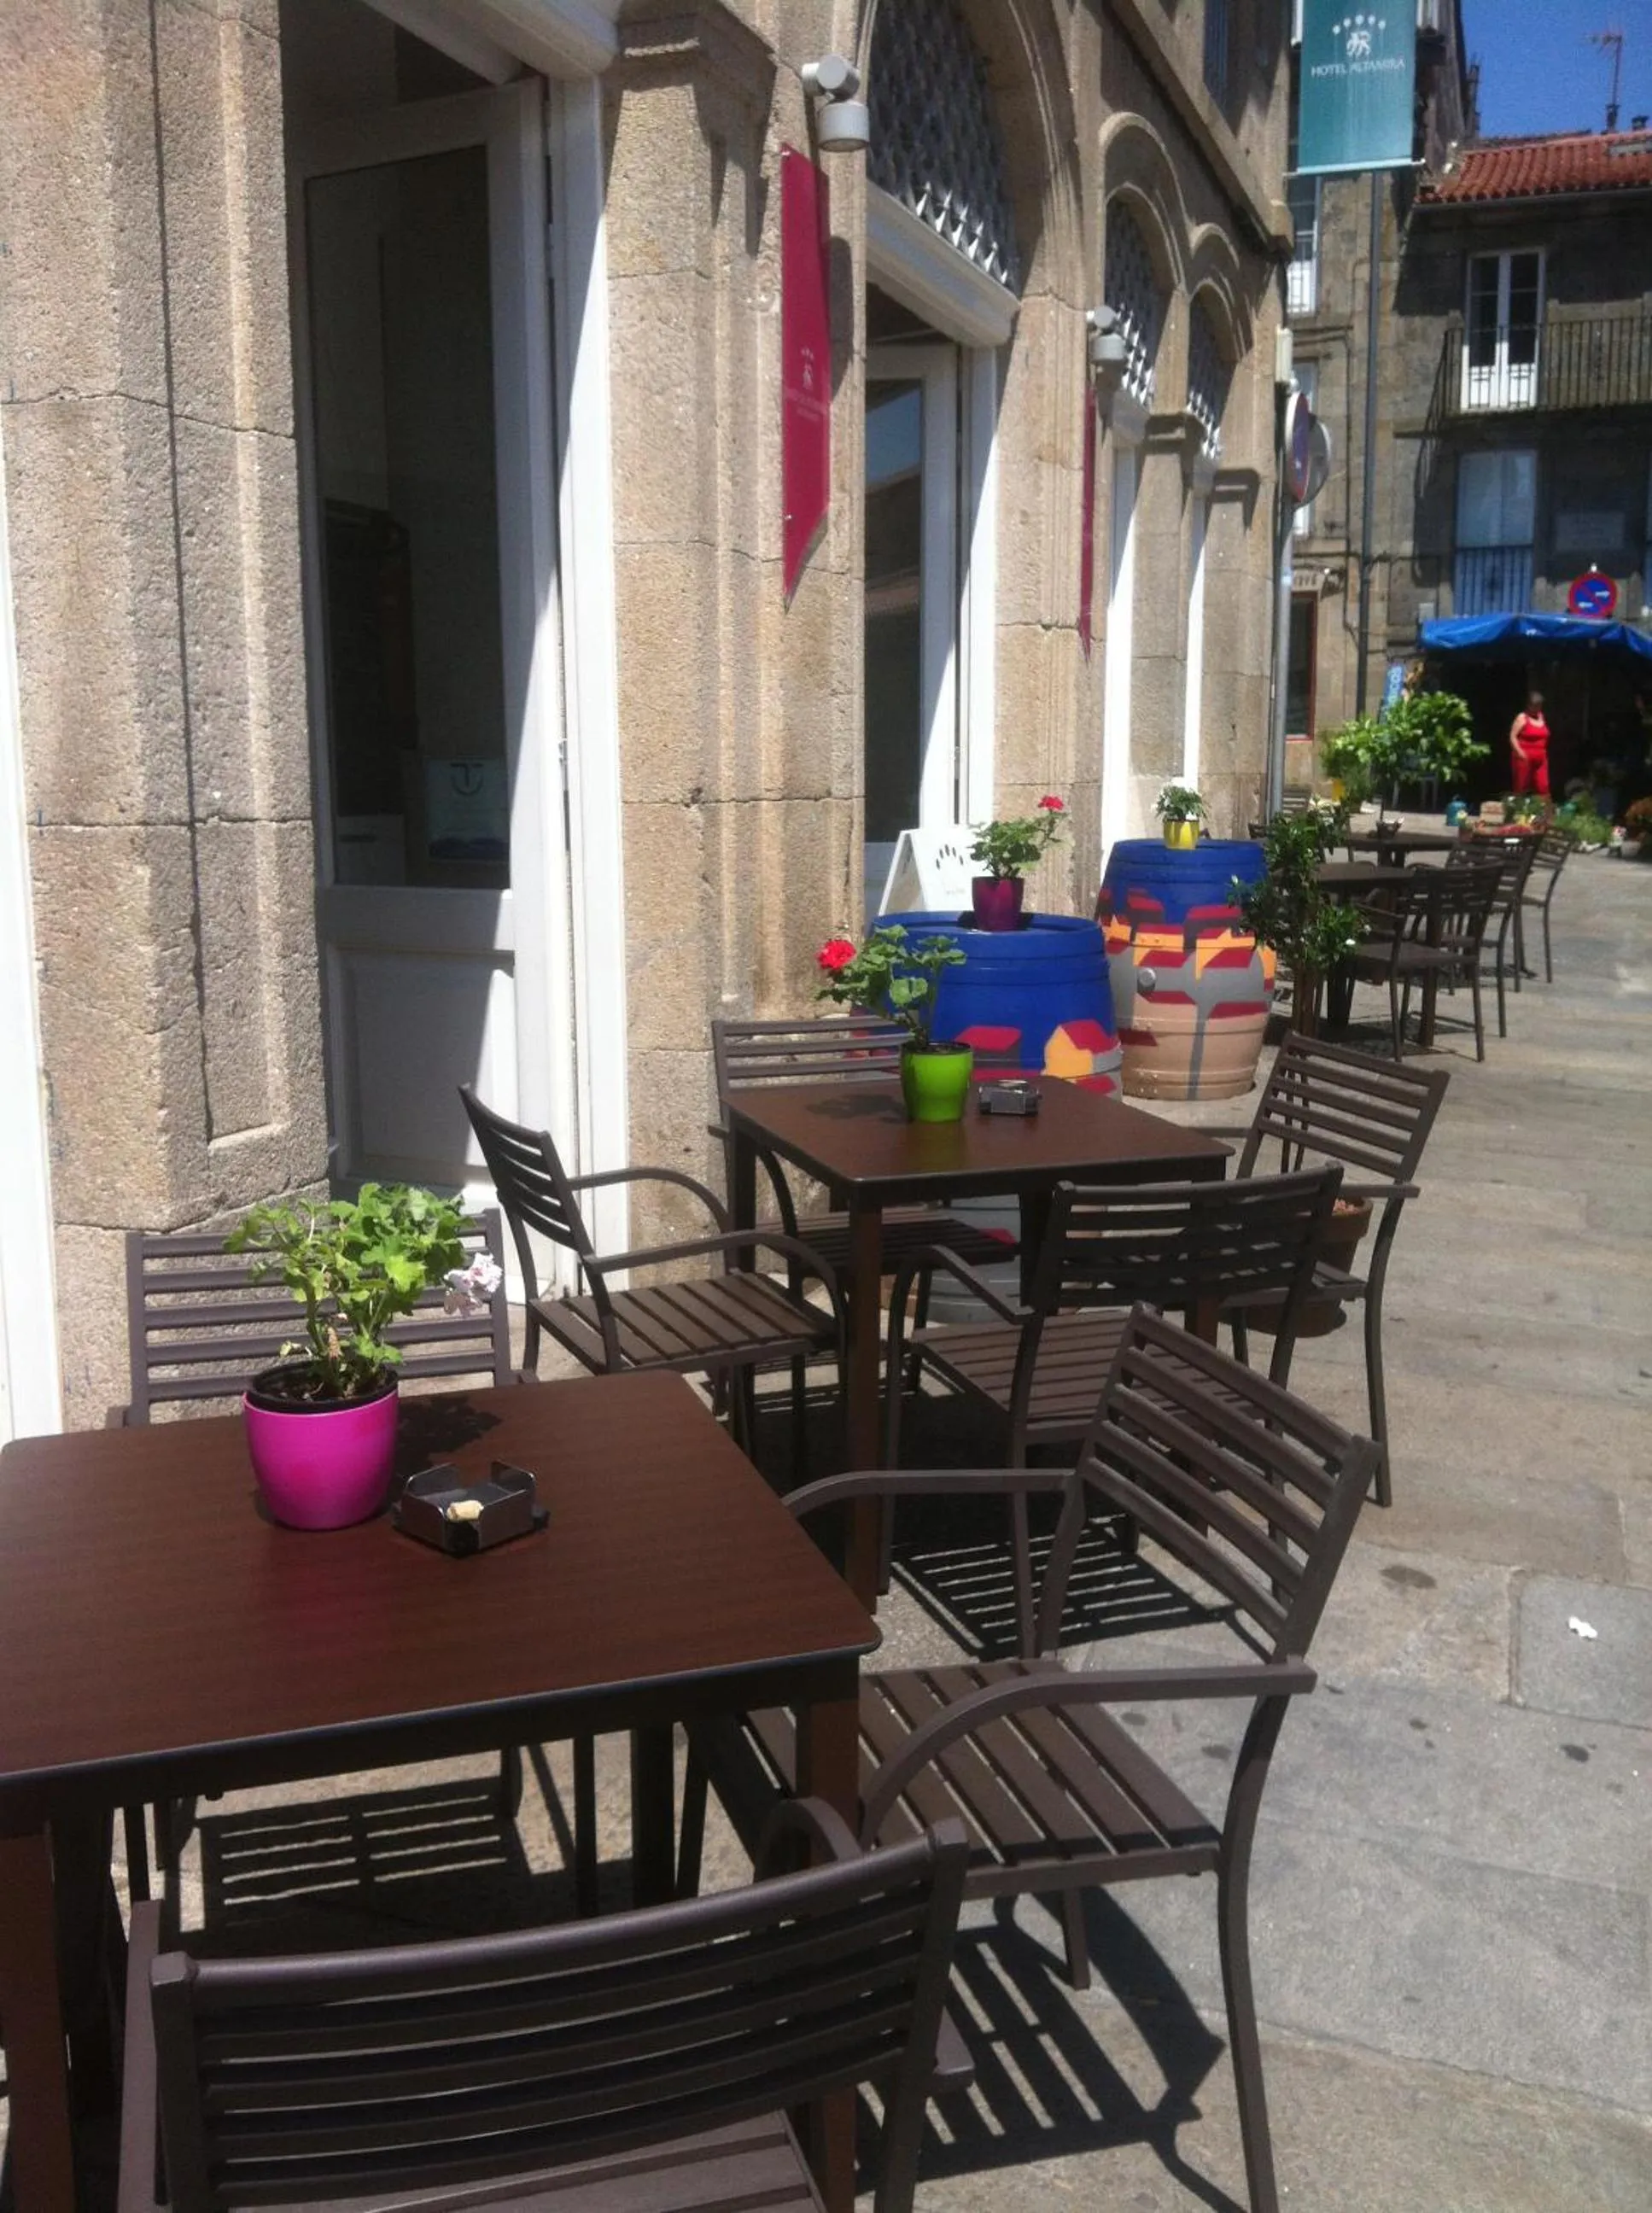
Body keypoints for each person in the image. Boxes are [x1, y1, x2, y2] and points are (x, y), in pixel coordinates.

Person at [1508, 690, 1551, 801]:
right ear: (1529, 705)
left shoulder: (1541, 717)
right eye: (1535, 706)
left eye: (1539, 706)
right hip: (1524, 757)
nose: (1537, 709)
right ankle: (1519, 811)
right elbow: (1513, 736)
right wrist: (1519, 752)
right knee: (1522, 786)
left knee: (1543, 786)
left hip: (1540, 758)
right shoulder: (1522, 718)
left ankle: (1544, 813)